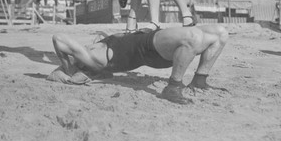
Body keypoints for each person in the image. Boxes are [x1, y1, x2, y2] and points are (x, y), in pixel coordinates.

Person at [51, 24, 229, 105]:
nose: (88, 45)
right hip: (150, 48)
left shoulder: (99, 48)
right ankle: (173, 87)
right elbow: (58, 38)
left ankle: (199, 80)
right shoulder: (94, 58)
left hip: (156, 41)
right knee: (194, 37)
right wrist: (68, 68)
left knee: (221, 33)